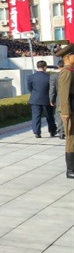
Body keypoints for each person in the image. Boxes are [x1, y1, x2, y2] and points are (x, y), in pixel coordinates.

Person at [56, 44, 74, 178]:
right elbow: (63, 93)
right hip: (70, 110)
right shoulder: (67, 71)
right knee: (71, 139)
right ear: (68, 57)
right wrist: (66, 112)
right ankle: (70, 170)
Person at [27, 60, 57, 139]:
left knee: (36, 116)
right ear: (45, 67)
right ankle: (52, 131)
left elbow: (29, 88)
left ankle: (37, 132)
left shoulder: (31, 77)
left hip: (35, 99)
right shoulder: (49, 77)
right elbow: (52, 89)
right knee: (49, 116)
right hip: (47, 100)